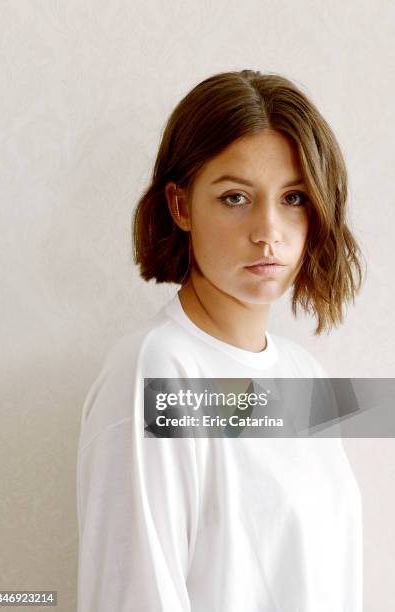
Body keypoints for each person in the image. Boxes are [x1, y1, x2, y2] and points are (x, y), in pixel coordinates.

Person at [76, 69, 364, 611]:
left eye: (295, 198)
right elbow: (135, 592)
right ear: (181, 206)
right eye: (236, 198)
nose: (268, 231)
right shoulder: (157, 372)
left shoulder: (305, 375)